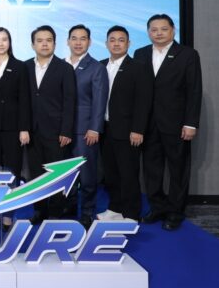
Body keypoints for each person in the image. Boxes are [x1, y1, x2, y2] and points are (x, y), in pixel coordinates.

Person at [133, 14, 202, 231]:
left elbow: (194, 90)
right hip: (148, 124)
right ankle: (158, 207)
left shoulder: (188, 54)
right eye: (154, 29)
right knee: (151, 169)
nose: (159, 33)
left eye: (163, 29)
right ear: (148, 32)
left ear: (173, 30)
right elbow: (138, 91)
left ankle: (175, 212)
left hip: (176, 123)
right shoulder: (140, 54)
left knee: (178, 169)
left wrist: (191, 123)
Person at [97, 26, 152, 222]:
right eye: (112, 40)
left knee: (128, 173)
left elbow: (143, 101)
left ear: (129, 43)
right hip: (105, 129)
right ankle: (115, 208)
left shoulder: (138, 67)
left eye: (121, 40)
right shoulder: (100, 65)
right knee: (110, 173)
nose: (116, 44)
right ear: (106, 44)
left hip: (128, 131)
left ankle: (131, 213)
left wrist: (138, 129)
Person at [25, 25, 76, 223]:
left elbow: (70, 101)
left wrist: (66, 130)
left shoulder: (65, 68)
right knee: (36, 174)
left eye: (48, 40)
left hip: (56, 132)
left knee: (56, 174)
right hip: (32, 131)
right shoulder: (25, 67)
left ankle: (55, 212)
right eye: (40, 41)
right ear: (32, 45)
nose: (44, 44)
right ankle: (39, 210)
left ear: (54, 44)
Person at [0, 27, 30, 229]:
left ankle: (9, 213)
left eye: (4, 39)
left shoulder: (20, 66)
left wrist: (24, 128)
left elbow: (25, 99)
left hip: (13, 127)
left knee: (12, 171)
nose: (0, 43)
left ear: (10, 43)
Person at [64, 25, 108, 228]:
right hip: (62, 130)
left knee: (87, 174)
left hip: (85, 129)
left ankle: (88, 211)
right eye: (74, 38)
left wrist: (94, 128)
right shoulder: (61, 64)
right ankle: (69, 207)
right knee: (66, 172)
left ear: (89, 42)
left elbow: (100, 100)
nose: (78, 42)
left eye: (83, 39)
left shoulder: (96, 67)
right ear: (68, 41)